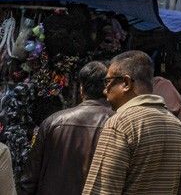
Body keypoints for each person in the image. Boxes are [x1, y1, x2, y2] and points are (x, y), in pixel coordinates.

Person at [82, 50, 181, 195]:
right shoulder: (178, 127)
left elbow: (101, 191)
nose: (105, 90)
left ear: (127, 83)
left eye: (108, 82)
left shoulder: (120, 124)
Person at [20, 60, 114, 195]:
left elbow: (30, 178)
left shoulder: (53, 122)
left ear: (81, 90)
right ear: (108, 89)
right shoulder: (118, 122)